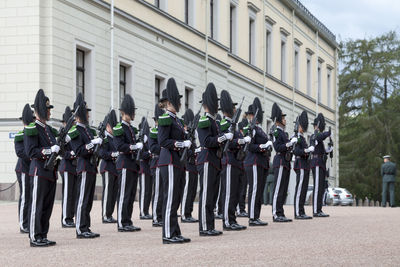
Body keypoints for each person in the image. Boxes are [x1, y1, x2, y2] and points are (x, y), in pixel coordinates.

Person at [158, 78, 191, 244]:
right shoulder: (165, 118)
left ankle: (175, 230)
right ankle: (168, 234)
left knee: (176, 197)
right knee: (170, 197)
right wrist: (181, 143)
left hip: (176, 161)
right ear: (170, 102)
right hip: (169, 160)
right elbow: (163, 141)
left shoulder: (177, 120)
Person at [24, 89, 59, 247]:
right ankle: (34, 236)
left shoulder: (48, 130)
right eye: (48, 109)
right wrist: (48, 151)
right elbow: (31, 151)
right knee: (37, 205)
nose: (50, 112)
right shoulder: (32, 128)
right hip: (39, 171)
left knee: (47, 205)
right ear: (41, 110)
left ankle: (43, 234)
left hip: (50, 172)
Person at [68, 93, 101, 238]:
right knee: (82, 198)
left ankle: (86, 226)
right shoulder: (75, 131)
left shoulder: (87, 130)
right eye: (86, 111)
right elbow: (79, 150)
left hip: (91, 167)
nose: (88, 114)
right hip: (83, 167)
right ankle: (80, 228)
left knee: (88, 199)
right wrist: (91, 144)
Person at [196, 83, 224, 236]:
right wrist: (221, 138)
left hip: (214, 160)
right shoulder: (205, 120)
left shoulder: (214, 121)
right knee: (206, 194)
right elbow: (206, 141)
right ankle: (205, 227)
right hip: (206, 159)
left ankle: (210, 225)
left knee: (212, 194)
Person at [112, 94, 142, 232]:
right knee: (124, 194)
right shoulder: (119, 128)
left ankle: (127, 220)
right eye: (131, 111)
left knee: (130, 194)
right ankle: (121, 222)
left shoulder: (130, 128)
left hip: (132, 164)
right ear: (124, 112)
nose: (133, 114)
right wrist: (134, 147)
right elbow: (119, 146)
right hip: (124, 163)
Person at [219, 90, 248, 231]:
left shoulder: (234, 126)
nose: (235, 109)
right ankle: (227, 220)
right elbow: (228, 143)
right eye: (233, 107)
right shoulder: (225, 124)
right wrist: (241, 140)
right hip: (229, 160)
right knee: (229, 192)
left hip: (236, 161)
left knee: (236, 192)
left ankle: (232, 218)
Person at [243, 98, 271, 226]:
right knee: (254, 189)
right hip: (253, 161)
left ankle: (256, 215)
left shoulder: (259, 129)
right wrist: (262, 147)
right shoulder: (250, 128)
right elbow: (250, 147)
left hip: (262, 162)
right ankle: (252, 217)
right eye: (252, 114)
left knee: (259, 189)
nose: (254, 116)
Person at [271, 103, 294, 223]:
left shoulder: (284, 133)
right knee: (278, 188)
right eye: (283, 118)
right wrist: (290, 143)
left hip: (286, 161)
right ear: (279, 120)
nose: (285, 120)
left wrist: (291, 143)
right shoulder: (276, 132)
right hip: (280, 161)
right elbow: (278, 147)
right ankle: (276, 213)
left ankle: (281, 212)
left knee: (283, 189)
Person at [15, 104, 34, 234]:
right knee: (25, 196)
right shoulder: (20, 135)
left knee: (31, 196)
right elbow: (20, 152)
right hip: (23, 168)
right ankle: (23, 223)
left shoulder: (33, 133)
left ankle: (29, 221)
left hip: (32, 169)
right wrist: (32, 156)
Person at [58, 106, 78, 228]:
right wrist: (71, 154)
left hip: (74, 166)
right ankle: (66, 218)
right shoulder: (62, 134)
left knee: (73, 193)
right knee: (67, 194)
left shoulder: (73, 132)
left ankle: (71, 216)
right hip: (66, 166)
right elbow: (60, 151)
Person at [310, 113, 332, 217]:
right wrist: (328, 133)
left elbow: (320, 150)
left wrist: (327, 150)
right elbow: (319, 137)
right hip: (317, 163)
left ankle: (319, 208)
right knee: (317, 187)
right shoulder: (315, 135)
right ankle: (315, 210)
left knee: (321, 187)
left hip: (321, 163)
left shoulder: (318, 136)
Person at [293, 111, 314, 219]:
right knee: (300, 189)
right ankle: (297, 212)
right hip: (300, 164)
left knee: (304, 189)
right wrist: (306, 150)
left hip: (305, 165)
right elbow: (296, 151)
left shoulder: (302, 138)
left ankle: (301, 211)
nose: (303, 128)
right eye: (301, 126)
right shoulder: (296, 137)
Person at [99, 110, 119, 223]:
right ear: (107, 126)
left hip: (114, 168)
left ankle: (110, 214)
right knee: (107, 191)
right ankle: (105, 215)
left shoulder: (114, 138)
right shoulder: (105, 138)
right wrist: (113, 154)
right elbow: (102, 153)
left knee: (113, 192)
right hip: (107, 167)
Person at [181, 109, 199, 223]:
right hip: (187, 165)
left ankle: (189, 212)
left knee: (192, 191)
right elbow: (186, 151)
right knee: (187, 191)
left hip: (194, 165)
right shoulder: (184, 136)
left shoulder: (192, 136)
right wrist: (196, 151)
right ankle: (184, 214)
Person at [149, 104, 164, 227]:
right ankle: (156, 217)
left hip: (164, 162)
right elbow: (153, 147)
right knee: (158, 191)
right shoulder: (153, 131)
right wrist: (164, 147)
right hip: (157, 162)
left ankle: (161, 215)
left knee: (164, 190)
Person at [138, 120, 153, 220]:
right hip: (143, 168)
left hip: (148, 168)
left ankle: (146, 210)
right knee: (144, 191)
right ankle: (143, 212)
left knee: (148, 191)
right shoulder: (140, 140)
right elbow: (141, 155)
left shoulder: (147, 140)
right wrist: (149, 152)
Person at [236, 118, 248, 217]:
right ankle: (239, 209)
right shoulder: (239, 137)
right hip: (239, 163)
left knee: (243, 189)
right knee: (239, 189)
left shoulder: (245, 137)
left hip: (245, 165)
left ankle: (242, 208)